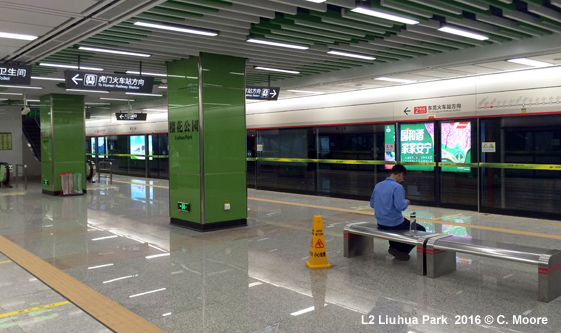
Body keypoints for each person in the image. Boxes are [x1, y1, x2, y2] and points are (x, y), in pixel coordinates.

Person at [370, 164, 425, 261]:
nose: (402, 180)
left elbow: (372, 204)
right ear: (400, 174)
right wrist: (406, 202)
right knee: (420, 229)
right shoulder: (397, 187)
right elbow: (400, 207)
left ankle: (393, 247)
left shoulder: (378, 185)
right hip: (394, 223)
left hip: (381, 223)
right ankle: (402, 250)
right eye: (403, 177)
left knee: (399, 223)